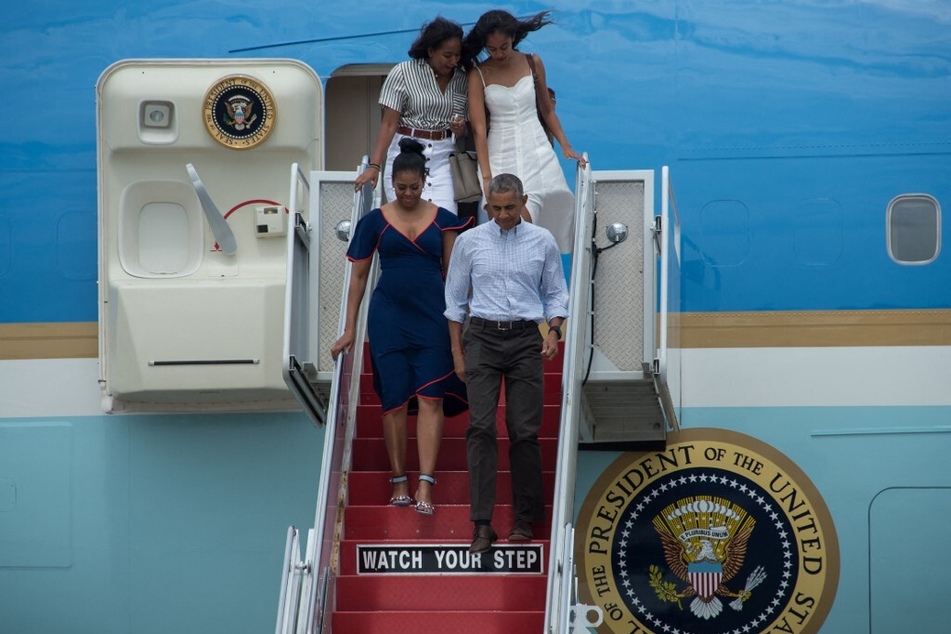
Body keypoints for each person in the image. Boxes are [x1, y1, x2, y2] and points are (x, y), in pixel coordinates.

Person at [333, 138, 472, 515]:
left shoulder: (444, 219)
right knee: (393, 400)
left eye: (414, 187)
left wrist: (459, 333)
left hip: (432, 317)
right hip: (388, 317)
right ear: (391, 184)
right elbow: (359, 279)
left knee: (431, 397)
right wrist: (349, 330)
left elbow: (455, 280)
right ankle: (399, 479)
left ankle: (426, 483)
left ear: (425, 181)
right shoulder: (373, 222)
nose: (408, 194)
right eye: (401, 188)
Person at [443, 173, 569, 553]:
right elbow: (454, 303)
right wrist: (457, 353)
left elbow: (556, 295)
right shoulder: (469, 242)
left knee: (524, 430)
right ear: (486, 206)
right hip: (480, 336)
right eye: (495, 208)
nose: (502, 215)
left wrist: (553, 332)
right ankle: (482, 524)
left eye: (510, 208)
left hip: (526, 337)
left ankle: (524, 520)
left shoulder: (542, 240)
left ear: (523, 200)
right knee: (480, 427)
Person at [462, 10, 585, 251]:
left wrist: (566, 146)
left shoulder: (533, 62)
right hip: (500, 153)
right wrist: (486, 175)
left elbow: (547, 112)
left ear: (513, 38)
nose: (498, 53)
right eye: (492, 49)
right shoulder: (478, 74)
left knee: (544, 214)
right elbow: (478, 129)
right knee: (506, 221)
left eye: (503, 47)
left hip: (537, 151)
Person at [354, 16, 468, 214]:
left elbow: (464, 129)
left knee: (445, 219)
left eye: (457, 55)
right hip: (406, 154)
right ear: (431, 51)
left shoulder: (462, 78)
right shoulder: (403, 72)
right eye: (447, 55)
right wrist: (374, 166)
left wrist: (460, 129)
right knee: (407, 219)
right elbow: (389, 124)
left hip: (444, 159)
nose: (453, 61)